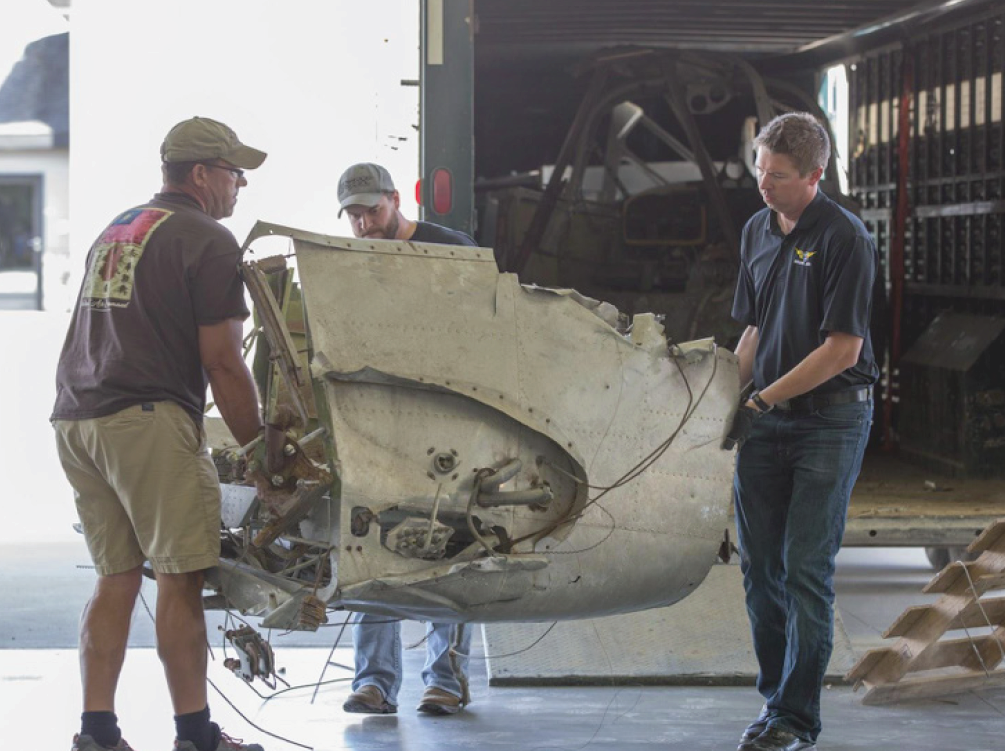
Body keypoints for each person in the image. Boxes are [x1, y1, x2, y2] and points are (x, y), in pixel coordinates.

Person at [52, 117, 268, 751]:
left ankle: (97, 732)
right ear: (200, 174)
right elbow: (224, 362)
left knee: (115, 576)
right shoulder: (208, 238)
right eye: (234, 172)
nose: (239, 185)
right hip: (145, 421)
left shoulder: (121, 226)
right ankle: (196, 737)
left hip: (76, 417)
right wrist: (259, 451)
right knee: (180, 576)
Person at [723, 113, 878, 751]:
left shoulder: (845, 238)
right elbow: (754, 331)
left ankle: (796, 718)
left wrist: (762, 400)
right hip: (765, 420)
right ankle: (774, 702)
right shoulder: (757, 229)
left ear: (814, 176)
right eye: (759, 171)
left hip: (829, 422)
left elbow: (842, 349)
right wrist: (727, 401)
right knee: (761, 572)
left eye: (779, 178)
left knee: (804, 569)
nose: (764, 186)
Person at [336, 162, 475, 716]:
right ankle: (373, 682)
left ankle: (444, 679)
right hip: (378, 420)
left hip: (449, 418)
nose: (364, 222)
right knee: (370, 540)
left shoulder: (452, 249)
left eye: (372, 209)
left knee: (454, 541)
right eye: (353, 213)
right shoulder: (348, 261)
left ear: (396, 200)